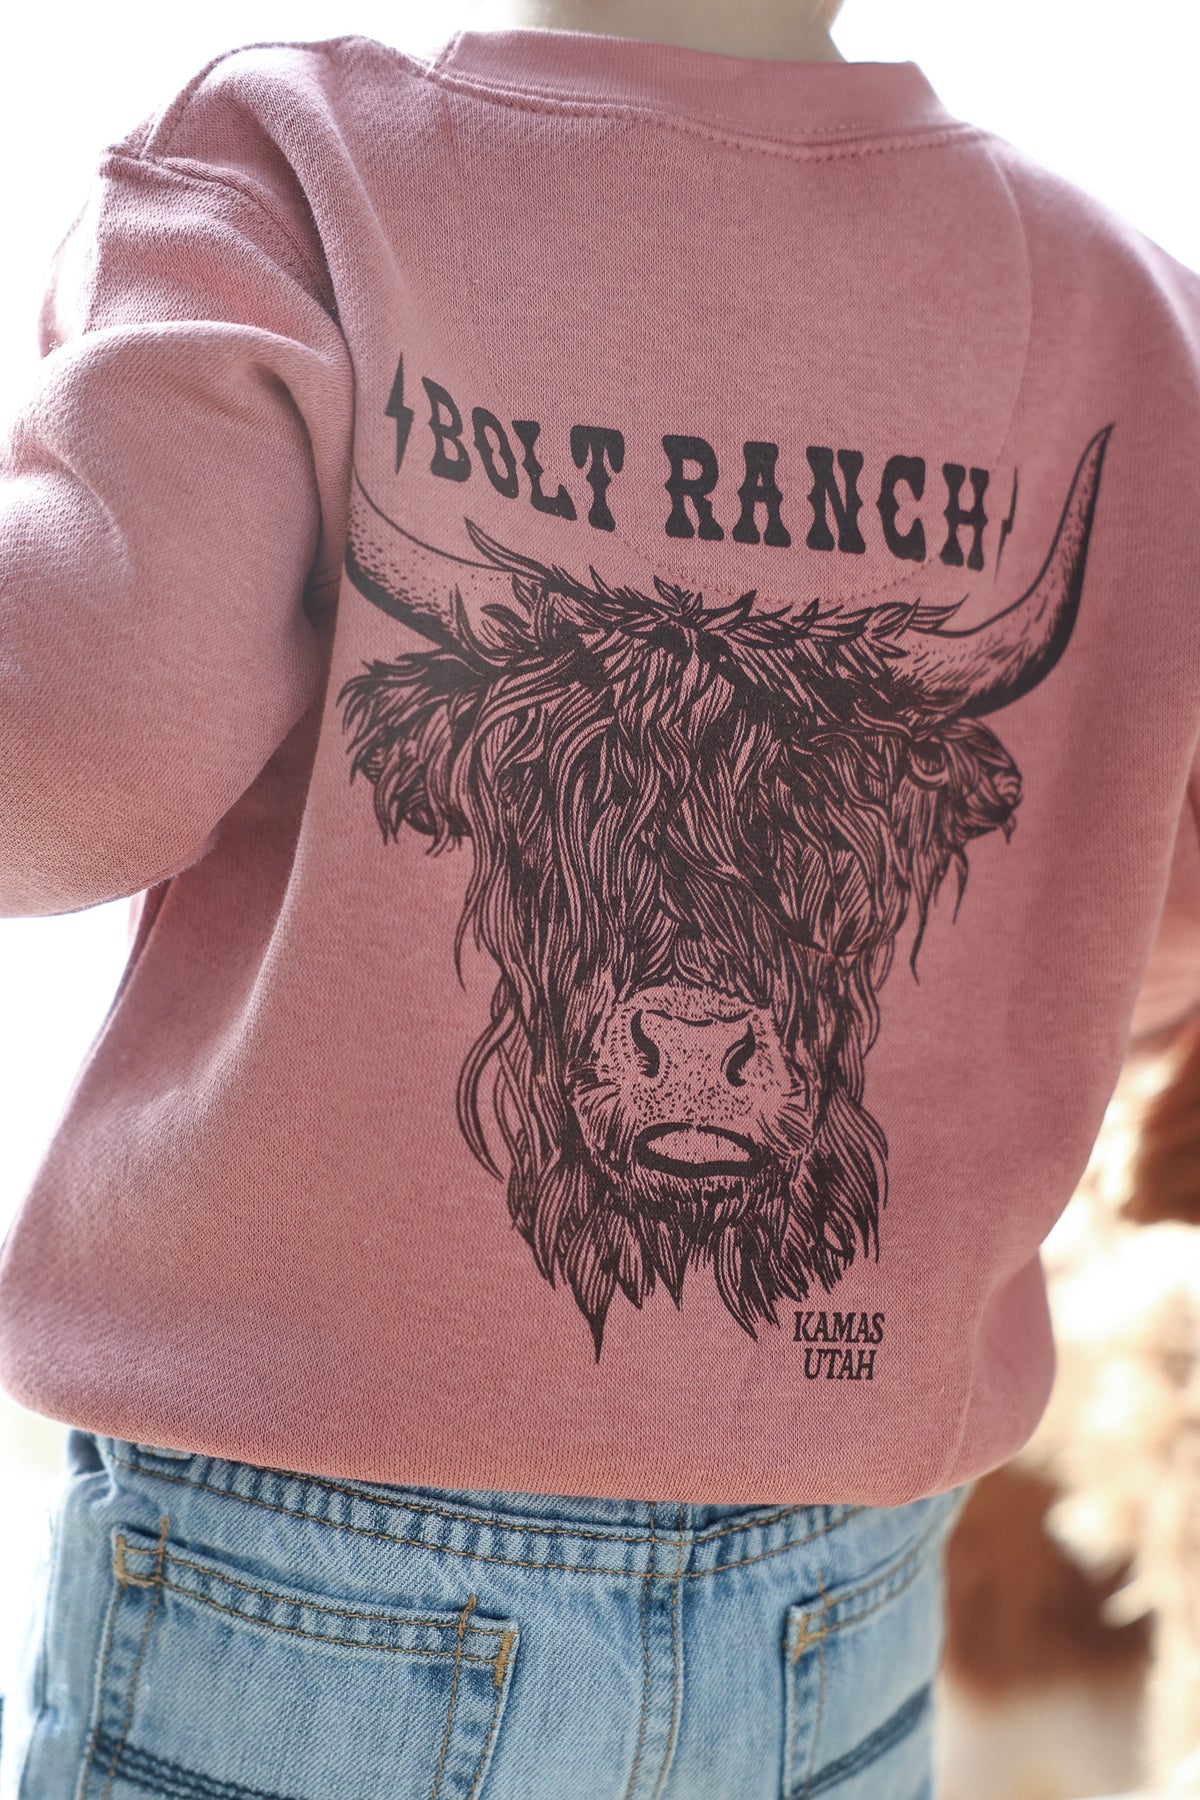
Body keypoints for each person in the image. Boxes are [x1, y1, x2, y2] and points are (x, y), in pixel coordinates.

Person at [0, 0, 1196, 1793]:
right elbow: (1142, 918)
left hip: (309, 1570)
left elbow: (71, 756)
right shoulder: (1132, 317)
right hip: (845, 1596)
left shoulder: (304, 175)